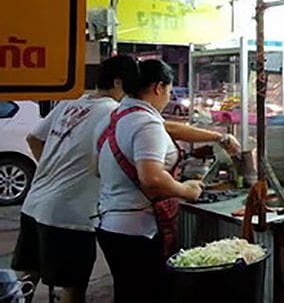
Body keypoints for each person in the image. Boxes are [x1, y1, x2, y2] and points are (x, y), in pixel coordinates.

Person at [94, 59, 238, 302]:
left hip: (109, 224)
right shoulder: (146, 123)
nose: (168, 97)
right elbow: (151, 180)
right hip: (139, 230)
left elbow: (96, 167)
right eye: (169, 91)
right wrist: (186, 190)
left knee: (127, 293)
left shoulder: (111, 119)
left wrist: (217, 137)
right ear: (159, 87)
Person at [12, 55, 140, 303]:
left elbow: (34, 139)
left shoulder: (70, 102)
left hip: (33, 204)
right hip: (70, 215)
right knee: (73, 287)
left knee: (28, 278)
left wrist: (55, 168)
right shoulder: (113, 112)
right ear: (118, 83)